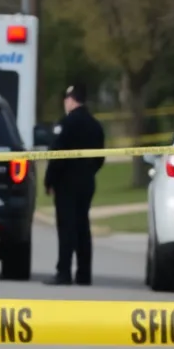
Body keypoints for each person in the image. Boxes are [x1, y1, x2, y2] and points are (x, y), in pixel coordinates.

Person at [44, 84, 105, 286]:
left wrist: (50, 180)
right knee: (82, 227)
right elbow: (100, 158)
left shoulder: (66, 124)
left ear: (71, 100)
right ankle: (84, 274)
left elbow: (56, 156)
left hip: (66, 183)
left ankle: (64, 273)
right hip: (86, 182)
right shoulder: (95, 125)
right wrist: (87, 173)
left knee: (66, 228)